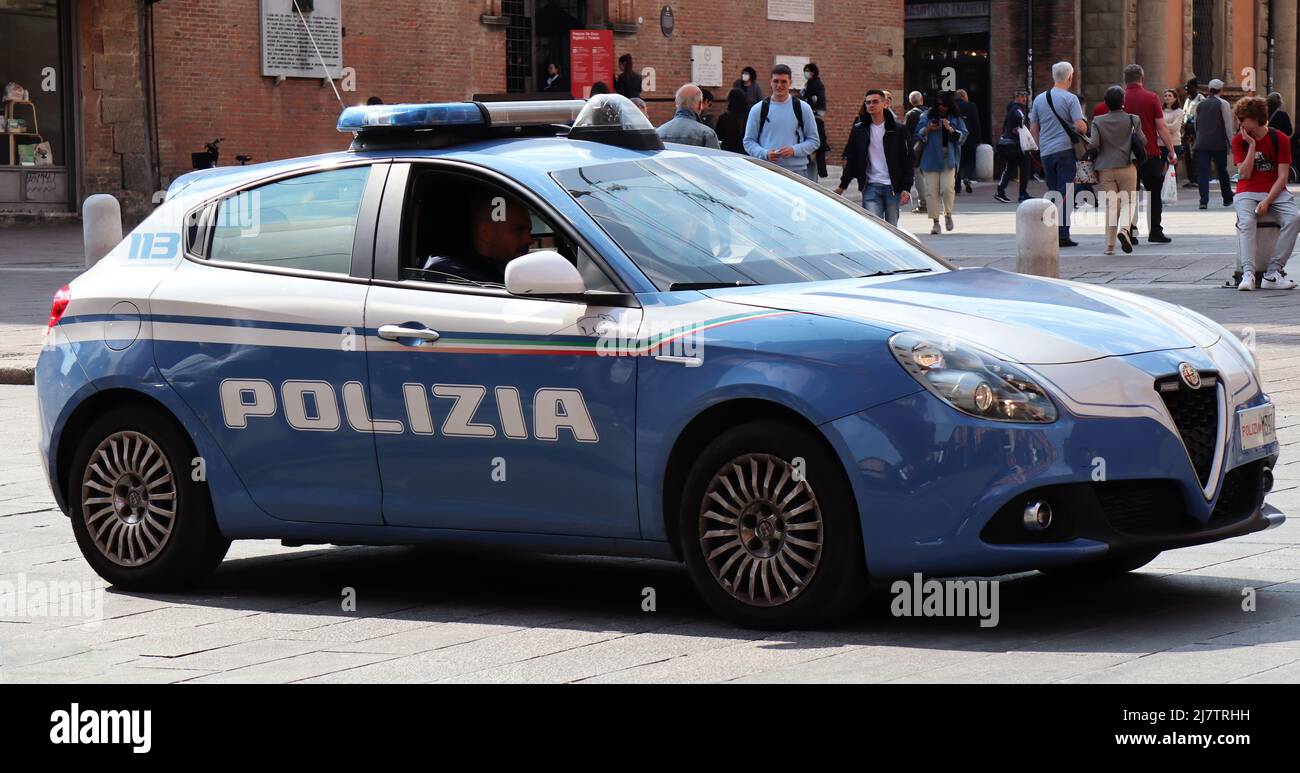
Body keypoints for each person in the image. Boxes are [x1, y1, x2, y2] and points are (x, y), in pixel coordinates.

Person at [1093, 64, 1178, 243]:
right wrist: (1171, 150)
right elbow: (1161, 127)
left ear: (1125, 80)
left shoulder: (1114, 100)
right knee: (1154, 193)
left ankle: (1129, 230)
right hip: (1149, 154)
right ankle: (1155, 230)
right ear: (1142, 78)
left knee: (1127, 195)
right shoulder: (1151, 97)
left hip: (1124, 158)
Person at [1232, 96, 1299, 291]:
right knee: (1246, 222)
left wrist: (1268, 201)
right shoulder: (1240, 141)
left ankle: (1272, 273)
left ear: (1254, 119)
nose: (1239, 123)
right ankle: (1248, 273)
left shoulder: (1280, 139)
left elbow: (1283, 177)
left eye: (1242, 119)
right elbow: (1243, 174)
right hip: (1247, 191)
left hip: (1275, 192)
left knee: (1295, 218)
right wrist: (1252, 146)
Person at [1029, 61, 1089, 247]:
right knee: (1066, 193)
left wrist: (1038, 149)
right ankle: (1062, 234)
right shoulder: (1071, 99)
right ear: (1070, 77)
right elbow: (1080, 126)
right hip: (1065, 151)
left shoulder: (1039, 99)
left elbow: (1033, 129)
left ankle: (1051, 230)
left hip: (1047, 152)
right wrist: (1084, 125)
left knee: (1053, 191)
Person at [834, 89, 913, 225]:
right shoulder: (859, 130)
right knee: (873, 226)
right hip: (870, 186)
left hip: (892, 187)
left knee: (891, 228)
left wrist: (906, 187)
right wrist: (842, 186)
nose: (871, 105)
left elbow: (907, 158)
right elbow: (852, 159)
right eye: (868, 102)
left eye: (875, 102)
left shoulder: (898, 130)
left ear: (885, 104)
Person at [422, 193, 533, 285]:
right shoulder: (452, 275)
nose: (530, 240)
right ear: (486, 233)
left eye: (529, 230)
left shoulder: (502, 270)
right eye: (518, 229)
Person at [1089, 85, 1146, 255]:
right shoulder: (1133, 119)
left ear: (1106, 102)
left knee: (1112, 205)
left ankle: (1110, 245)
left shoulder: (1097, 121)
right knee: (1129, 202)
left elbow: (1094, 144)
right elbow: (1142, 141)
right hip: (1127, 166)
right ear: (1123, 101)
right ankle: (1124, 230)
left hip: (1105, 168)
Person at [743, 64, 821, 181]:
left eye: (783, 82)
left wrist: (794, 150)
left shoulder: (803, 108)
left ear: (790, 82)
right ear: (770, 82)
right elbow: (748, 141)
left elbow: (814, 141)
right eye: (776, 81)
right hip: (766, 171)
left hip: (797, 173)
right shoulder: (758, 109)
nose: (779, 85)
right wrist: (765, 153)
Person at [915, 90, 968, 234]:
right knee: (932, 192)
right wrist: (928, 129)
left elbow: (963, 136)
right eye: (939, 105)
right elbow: (918, 133)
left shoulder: (956, 118)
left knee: (947, 188)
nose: (942, 108)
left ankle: (948, 214)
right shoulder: (926, 116)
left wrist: (950, 129)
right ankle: (935, 222)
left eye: (945, 105)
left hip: (948, 157)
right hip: (930, 157)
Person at [1194, 78, 1235, 209]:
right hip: (1218, 143)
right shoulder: (1223, 104)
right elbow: (1228, 124)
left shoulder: (1200, 104)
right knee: (1222, 171)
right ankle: (1227, 198)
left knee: (1202, 173)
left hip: (1201, 143)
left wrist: (1199, 138)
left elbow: (1196, 124)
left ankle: (1203, 200)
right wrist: (1232, 142)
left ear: (1209, 90)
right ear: (1221, 90)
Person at [995, 89, 1032, 203]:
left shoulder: (1011, 108)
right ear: (1016, 97)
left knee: (1010, 167)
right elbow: (1021, 118)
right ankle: (1022, 194)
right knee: (1025, 167)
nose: (1024, 99)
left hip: (1009, 144)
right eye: (1022, 96)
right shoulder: (1017, 108)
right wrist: (1022, 126)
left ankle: (1000, 191)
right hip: (1015, 145)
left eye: (1025, 96)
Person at [657, 83, 721, 148]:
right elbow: (715, 157)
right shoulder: (707, 134)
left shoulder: (658, 132)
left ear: (676, 104)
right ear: (699, 105)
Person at [802, 63, 830, 179]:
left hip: (815, 115)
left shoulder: (817, 84)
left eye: (808, 71)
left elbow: (818, 100)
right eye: (805, 70)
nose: (806, 73)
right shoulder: (808, 83)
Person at [954, 89, 983, 194]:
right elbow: (976, 123)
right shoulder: (971, 106)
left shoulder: (952, 106)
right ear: (963, 96)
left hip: (956, 137)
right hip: (969, 137)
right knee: (970, 159)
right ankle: (967, 176)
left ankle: (957, 187)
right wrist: (978, 139)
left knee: (957, 161)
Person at [904, 91, 928, 213]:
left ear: (910, 102)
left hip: (916, 149)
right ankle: (931, 201)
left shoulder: (910, 115)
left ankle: (923, 203)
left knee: (918, 175)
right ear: (922, 100)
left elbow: (906, 135)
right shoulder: (929, 112)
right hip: (930, 148)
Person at [1181, 78, 1204, 188]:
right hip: (1187, 131)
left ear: (1195, 87)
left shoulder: (1201, 99)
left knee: (1196, 155)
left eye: (1189, 86)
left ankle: (1197, 178)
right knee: (1187, 155)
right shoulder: (1187, 100)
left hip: (1197, 132)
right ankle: (1191, 178)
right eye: (1186, 86)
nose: (1186, 89)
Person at [1161, 89, 1185, 183]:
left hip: (1174, 143)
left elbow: (1175, 127)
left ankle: (1171, 189)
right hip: (1160, 143)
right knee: (1158, 169)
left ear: (1175, 98)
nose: (1167, 97)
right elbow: (1156, 125)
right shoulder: (1160, 111)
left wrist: (1162, 126)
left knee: (1172, 168)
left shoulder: (1179, 111)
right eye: (1165, 96)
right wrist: (1166, 126)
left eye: (1170, 96)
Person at [715, 87, 749, 153]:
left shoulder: (724, 117)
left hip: (727, 152)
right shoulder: (749, 117)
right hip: (745, 152)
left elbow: (718, 136)